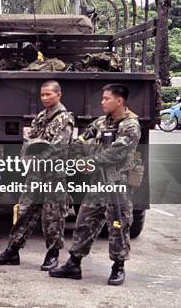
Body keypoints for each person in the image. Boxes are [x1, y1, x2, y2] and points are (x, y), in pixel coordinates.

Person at [50, 84, 140, 286]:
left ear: (119, 101)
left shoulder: (130, 126)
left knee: (118, 226)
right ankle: (74, 264)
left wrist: (90, 161)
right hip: (97, 184)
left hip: (117, 186)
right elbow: (78, 142)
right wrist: (79, 160)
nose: (102, 102)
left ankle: (118, 267)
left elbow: (116, 152)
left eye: (106, 98)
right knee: (84, 223)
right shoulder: (100, 123)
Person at [0, 81, 74, 270]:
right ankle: (12, 251)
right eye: (42, 95)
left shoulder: (64, 119)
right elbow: (27, 142)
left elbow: (57, 148)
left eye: (49, 95)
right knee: (24, 212)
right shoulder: (40, 117)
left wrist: (36, 149)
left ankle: (53, 254)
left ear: (59, 95)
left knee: (52, 216)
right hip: (35, 175)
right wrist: (27, 156)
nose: (44, 98)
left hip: (53, 176)